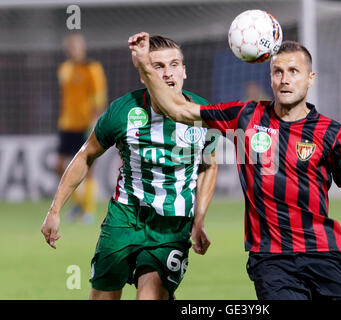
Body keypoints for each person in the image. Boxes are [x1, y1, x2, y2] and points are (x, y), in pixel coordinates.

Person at [129, 32, 341, 300]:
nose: (285, 78)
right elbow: (179, 108)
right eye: (278, 72)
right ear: (270, 78)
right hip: (271, 260)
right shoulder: (245, 117)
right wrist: (146, 65)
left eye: (294, 71)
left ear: (310, 78)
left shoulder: (333, 133)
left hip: (326, 254)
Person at [41, 35, 218, 300]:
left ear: (184, 71)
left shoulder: (203, 113)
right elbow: (84, 156)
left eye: (174, 65)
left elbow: (209, 165)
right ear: (144, 75)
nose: (168, 73)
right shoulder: (123, 112)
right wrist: (54, 210)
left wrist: (200, 218)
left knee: (150, 294)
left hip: (171, 225)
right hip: (124, 217)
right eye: (158, 66)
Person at [56, 32, 107, 224]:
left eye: (77, 46)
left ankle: (89, 211)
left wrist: (96, 120)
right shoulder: (64, 69)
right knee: (60, 166)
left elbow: (99, 97)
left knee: (88, 167)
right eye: (70, 47)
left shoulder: (92, 68)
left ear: (83, 48)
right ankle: (78, 202)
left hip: (86, 124)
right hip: (66, 124)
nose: (74, 50)